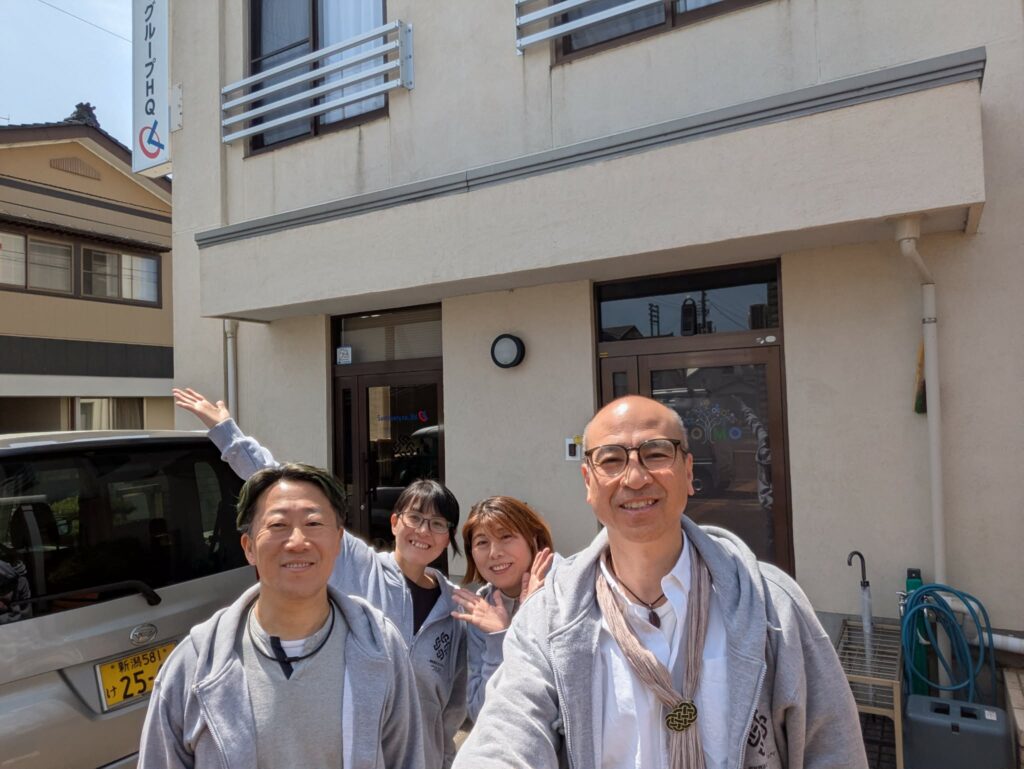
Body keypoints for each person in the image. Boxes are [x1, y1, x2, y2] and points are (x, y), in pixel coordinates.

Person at [454, 395, 867, 769]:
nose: (635, 478)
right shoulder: (548, 617)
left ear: (688, 472)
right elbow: (506, 732)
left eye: (655, 454)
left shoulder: (772, 604)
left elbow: (833, 747)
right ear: (588, 482)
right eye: (611, 460)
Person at [173, 388, 467, 769]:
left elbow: (454, 705)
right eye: (415, 518)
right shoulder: (359, 563)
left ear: (448, 537)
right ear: (395, 522)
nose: (423, 531)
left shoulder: (454, 606)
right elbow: (284, 491)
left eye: (437, 524)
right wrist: (228, 434)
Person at [138, 463, 424, 769]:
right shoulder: (193, 665)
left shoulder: (381, 647)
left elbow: (406, 759)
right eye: (278, 525)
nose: (298, 542)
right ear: (249, 547)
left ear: (338, 542)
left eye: (314, 523)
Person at [449, 496, 556, 721]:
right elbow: (480, 711)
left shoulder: (567, 589)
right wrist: (499, 637)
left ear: (533, 539)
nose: (494, 552)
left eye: (506, 536)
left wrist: (528, 619)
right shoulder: (481, 612)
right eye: (482, 542)